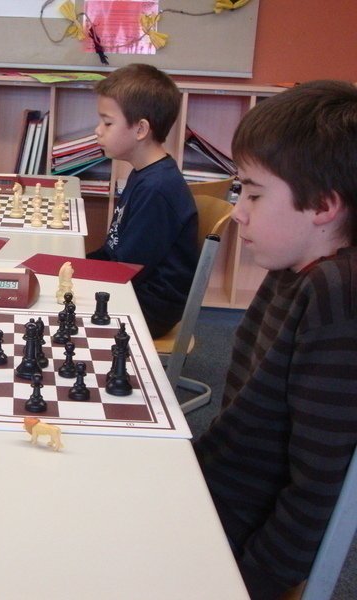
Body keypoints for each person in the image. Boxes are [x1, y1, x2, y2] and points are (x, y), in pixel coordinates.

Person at [194, 80, 357, 599]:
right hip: (209, 491)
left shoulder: (337, 297)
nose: (238, 211)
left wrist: (244, 585)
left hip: (232, 545)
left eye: (255, 194)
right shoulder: (293, 267)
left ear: (323, 205)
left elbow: (316, 491)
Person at [86, 64, 198, 337]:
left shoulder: (157, 189)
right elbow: (114, 252)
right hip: (132, 290)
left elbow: (128, 269)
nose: (98, 130)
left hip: (147, 307)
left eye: (107, 123)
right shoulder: (144, 174)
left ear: (140, 129)